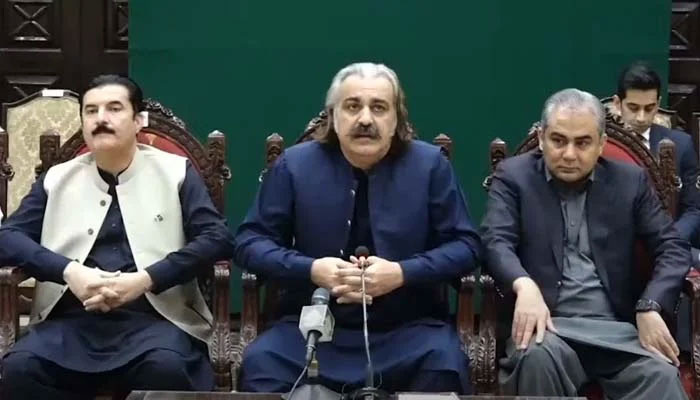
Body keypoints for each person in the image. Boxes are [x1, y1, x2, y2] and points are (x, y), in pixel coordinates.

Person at [234, 62, 481, 394]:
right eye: (352, 106)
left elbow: (466, 246)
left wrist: (401, 273)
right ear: (332, 116)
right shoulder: (294, 165)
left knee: (444, 363)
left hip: (409, 331)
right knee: (262, 363)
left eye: (379, 108)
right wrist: (312, 269)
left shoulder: (431, 166)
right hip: (311, 329)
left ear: (397, 119)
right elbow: (249, 243)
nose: (365, 119)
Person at [0, 74, 235, 399]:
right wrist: (70, 271)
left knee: (165, 369)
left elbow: (218, 237)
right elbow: (8, 238)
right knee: (21, 369)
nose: (101, 119)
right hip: (70, 321)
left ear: (139, 120)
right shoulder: (58, 178)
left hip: (155, 320)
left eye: (114, 109)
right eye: (91, 111)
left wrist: (146, 279)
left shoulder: (175, 172)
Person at [482, 88, 690, 399]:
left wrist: (650, 304)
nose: (569, 154)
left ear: (601, 144)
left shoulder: (630, 181)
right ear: (541, 138)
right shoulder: (514, 177)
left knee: (661, 376)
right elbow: (494, 239)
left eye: (582, 143)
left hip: (618, 333)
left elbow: (672, 247)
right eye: (558, 140)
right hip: (548, 328)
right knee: (536, 358)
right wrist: (523, 284)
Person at [613, 62, 700, 258]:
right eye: (633, 108)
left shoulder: (682, 145)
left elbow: (694, 209)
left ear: (658, 104)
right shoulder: (603, 145)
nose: (641, 117)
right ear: (618, 104)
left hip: (670, 245)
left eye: (649, 108)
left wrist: (671, 239)